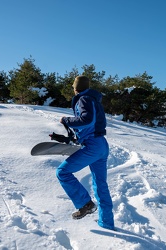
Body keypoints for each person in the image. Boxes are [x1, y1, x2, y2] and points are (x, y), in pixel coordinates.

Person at [55, 75, 115, 230]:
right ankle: (106, 223)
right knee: (100, 185)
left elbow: (86, 120)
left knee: (62, 172)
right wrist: (66, 138)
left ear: (75, 88)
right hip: (100, 144)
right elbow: (90, 126)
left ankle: (85, 204)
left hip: (93, 146)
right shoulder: (93, 99)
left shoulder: (84, 99)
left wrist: (66, 120)